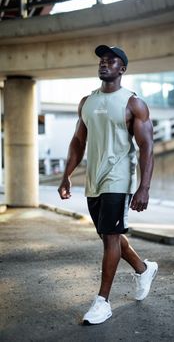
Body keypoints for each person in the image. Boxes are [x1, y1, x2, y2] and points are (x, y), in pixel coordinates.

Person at [58, 45, 158, 325]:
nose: (104, 64)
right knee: (107, 234)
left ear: (122, 69)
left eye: (111, 61)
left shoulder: (133, 103)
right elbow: (79, 141)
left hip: (119, 177)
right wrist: (67, 174)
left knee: (110, 238)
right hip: (94, 179)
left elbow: (147, 146)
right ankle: (143, 268)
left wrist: (144, 186)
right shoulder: (87, 102)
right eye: (102, 60)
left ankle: (102, 302)